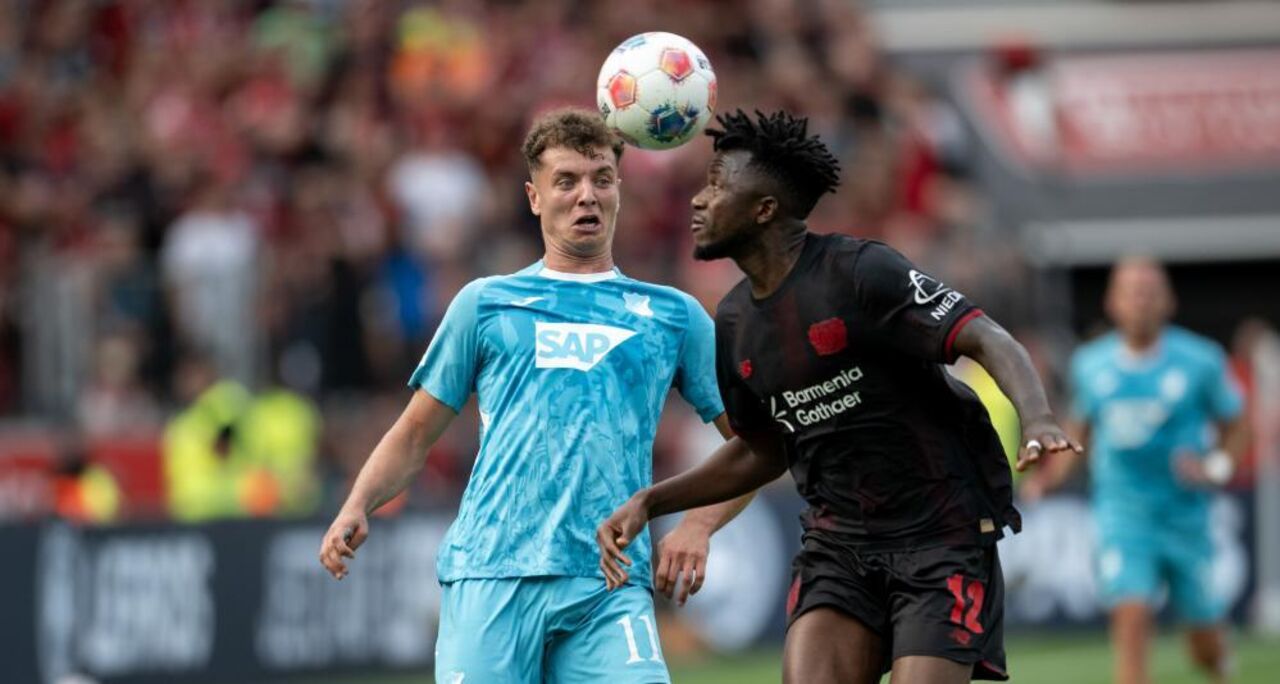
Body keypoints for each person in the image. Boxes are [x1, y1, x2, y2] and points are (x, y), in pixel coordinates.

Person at [597, 110, 1079, 684]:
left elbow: (986, 336)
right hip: (840, 544)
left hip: (940, 537)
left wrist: (1039, 417)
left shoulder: (861, 272)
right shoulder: (733, 322)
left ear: (764, 209)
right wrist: (656, 501)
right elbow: (761, 450)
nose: (699, 201)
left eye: (718, 184)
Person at [318, 109, 732, 684]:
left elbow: (758, 443)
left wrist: (699, 525)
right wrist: (358, 502)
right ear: (534, 197)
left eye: (601, 179)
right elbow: (415, 433)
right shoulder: (485, 304)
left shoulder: (673, 315)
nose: (586, 195)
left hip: (609, 585)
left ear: (619, 191)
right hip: (491, 575)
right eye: (566, 181)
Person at [1022, 257, 1247, 684]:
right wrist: (1048, 480)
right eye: (1131, 291)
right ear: (1112, 302)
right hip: (1124, 512)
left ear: (1168, 300)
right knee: (1131, 613)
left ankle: (1219, 660)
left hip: (1186, 516)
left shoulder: (1200, 360)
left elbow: (1238, 424)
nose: (1140, 300)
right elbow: (1080, 432)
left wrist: (1217, 465)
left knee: (1205, 642)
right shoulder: (1091, 364)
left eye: (1149, 291)